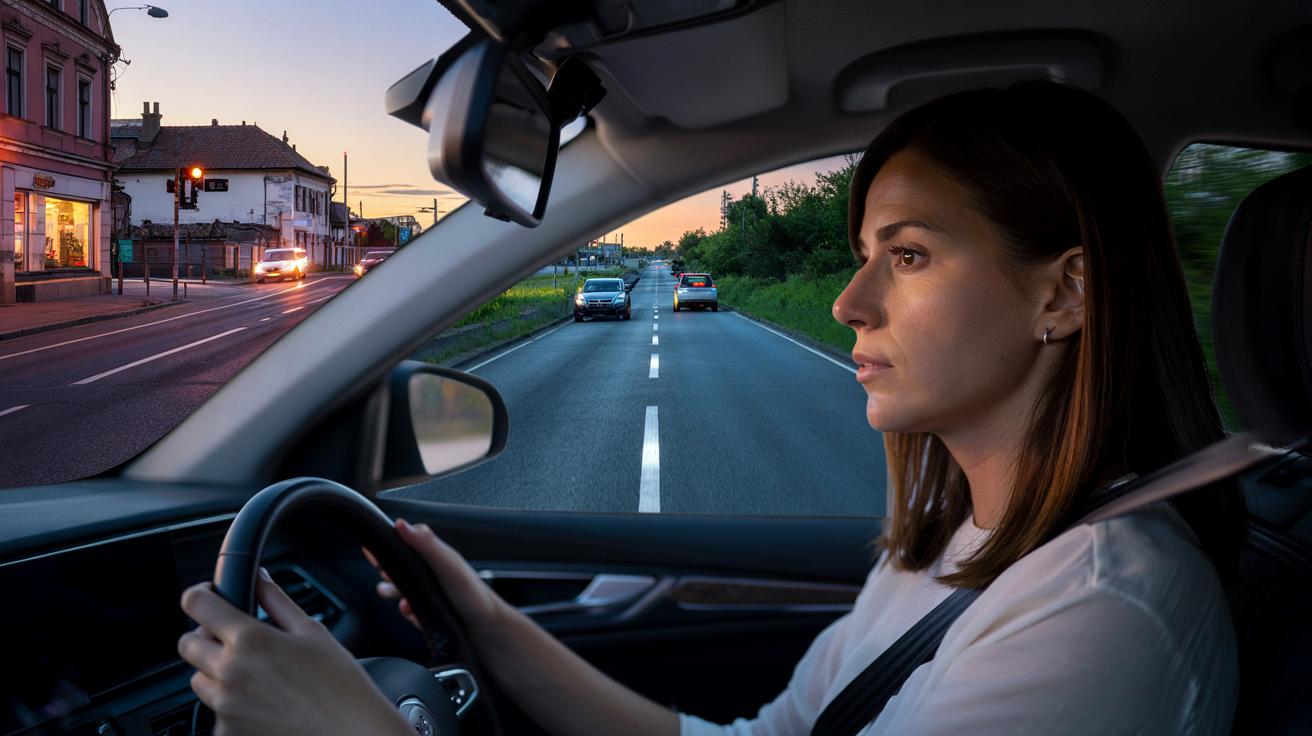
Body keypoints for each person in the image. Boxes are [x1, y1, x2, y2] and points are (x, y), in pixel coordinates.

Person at [176, 80, 1242, 735]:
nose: (848, 301)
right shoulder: (959, 544)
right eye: (862, 254)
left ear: (1062, 293)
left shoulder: (1100, 611)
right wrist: (487, 627)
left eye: (907, 256)